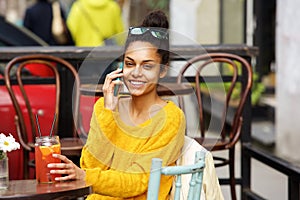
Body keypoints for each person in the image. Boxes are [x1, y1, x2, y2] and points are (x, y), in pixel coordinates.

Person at [48, 10, 186, 199]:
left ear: (163, 70)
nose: (136, 73)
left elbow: (138, 182)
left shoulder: (171, 118)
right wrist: (108, 112)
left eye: (147, 66)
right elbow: (91, 167)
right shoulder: (105, 108)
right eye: (130, 64)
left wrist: (86, 177)